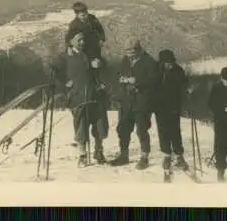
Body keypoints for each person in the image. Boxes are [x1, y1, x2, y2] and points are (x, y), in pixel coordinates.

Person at [52, 32, 109, 167]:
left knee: (100, 124)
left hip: (94, 95)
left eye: (83, 39)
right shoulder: (64, 57)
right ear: (70, 41)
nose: (82, 42)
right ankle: (82, 155)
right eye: (79, 40)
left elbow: (104, 64)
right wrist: (65, 82)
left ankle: (98, 151)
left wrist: (99, 64)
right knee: (81, 125)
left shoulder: (89, 54)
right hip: (77, 96)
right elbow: (54, 70)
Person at [109, 38, 159, 170]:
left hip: (142, 101)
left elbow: (154, 80)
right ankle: (123, 155)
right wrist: (121, 80)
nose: (129, 54)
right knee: (123, 128)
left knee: (141, 129)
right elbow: (119, 73)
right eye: (126, 52)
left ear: (138, 50)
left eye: (131, 52)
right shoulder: (125, 60)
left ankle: (144, 157)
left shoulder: (149, 62)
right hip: (126, 100)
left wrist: (136, 81)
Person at [154, 49, 190, 172]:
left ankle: (179, 155)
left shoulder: (178, 70)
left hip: (174, 105)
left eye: (171, 62)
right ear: (162, 62)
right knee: (163, 131)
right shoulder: (156, 71)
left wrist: (187, 88)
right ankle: (167, 155)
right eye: (167, 62)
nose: (170, 64)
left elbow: (184, 83)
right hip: (159, 106)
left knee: (175, 130)